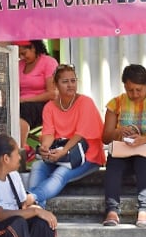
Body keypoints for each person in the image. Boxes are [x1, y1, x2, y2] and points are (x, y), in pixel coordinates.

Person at [102, 64, 146, 228]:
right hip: (123, 154)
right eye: (130, 90)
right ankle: (112, 210)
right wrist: (119, 132)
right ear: (124, 86)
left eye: (139, 90)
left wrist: (141, 140)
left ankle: (144, 210)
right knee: (114, 162)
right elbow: (105, 137)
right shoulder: (115, 103)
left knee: (143, 161)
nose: (134, 94)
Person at [28, 64, 104, 207]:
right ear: (56, 84)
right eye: (65, 82)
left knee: (61, 173)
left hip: (86, 155)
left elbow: (80, 134)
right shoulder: (49, 107)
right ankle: (36, 210)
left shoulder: (85, 102)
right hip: (59, 154)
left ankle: (31, 198)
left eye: (73, 81)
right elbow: (48, 133)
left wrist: (63, 151)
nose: (70, 85)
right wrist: (45, 148)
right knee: (38, 166)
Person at [14, 39, 58, 140]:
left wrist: (24, 100)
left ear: (33, 48)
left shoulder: (48, 62)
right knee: (1, 113)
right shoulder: (19, 65)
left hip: (42, 105)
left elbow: (52, 94)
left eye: (24, 53)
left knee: (22, 111)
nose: (21, 57)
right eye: (19, 55)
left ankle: (20, 148)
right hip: (20, 104)